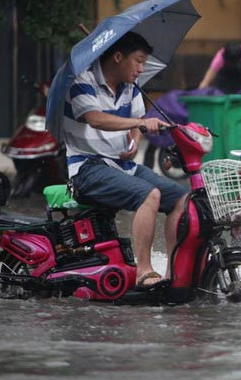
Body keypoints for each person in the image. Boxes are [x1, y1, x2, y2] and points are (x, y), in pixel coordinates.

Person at [64, 31, 189, 289]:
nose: (141, 69)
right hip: (88, 169)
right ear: (118, 57)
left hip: (123, 166)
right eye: (138, 61)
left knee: (182, 197)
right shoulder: (82, 82)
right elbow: (95, 118)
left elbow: (135, 124)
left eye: (144, 63)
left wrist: (135, 138)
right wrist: (141, 123)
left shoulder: (131, 88)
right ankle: (143, 270)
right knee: (150, 195)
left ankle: (175, 272)